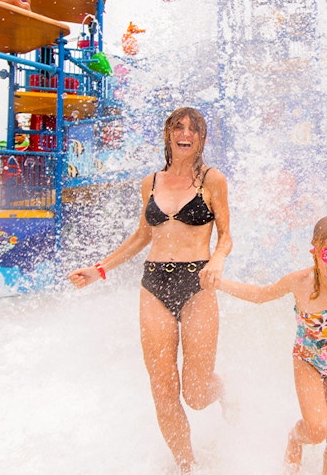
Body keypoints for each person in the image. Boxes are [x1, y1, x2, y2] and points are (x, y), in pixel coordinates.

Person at [68, 107, 232, 473]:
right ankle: (187, 466)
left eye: (193, 128)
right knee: (163, 388)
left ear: (202, 139)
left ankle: (222, 390)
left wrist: (218, 260)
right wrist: (100, 269)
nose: (185, 133)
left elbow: (226, 236)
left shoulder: (212, 180)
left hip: (198, 284)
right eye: (178, 126)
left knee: (195, 392)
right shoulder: (151, 183)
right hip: (154, 284)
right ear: (168, 133)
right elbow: (143, 235)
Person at [214, 216, 327, 475]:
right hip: (307, 361)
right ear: (315, 252)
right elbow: (260, 295)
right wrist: (220, 283)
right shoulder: (299, 282)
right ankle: (295, 439)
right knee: (318, 428)